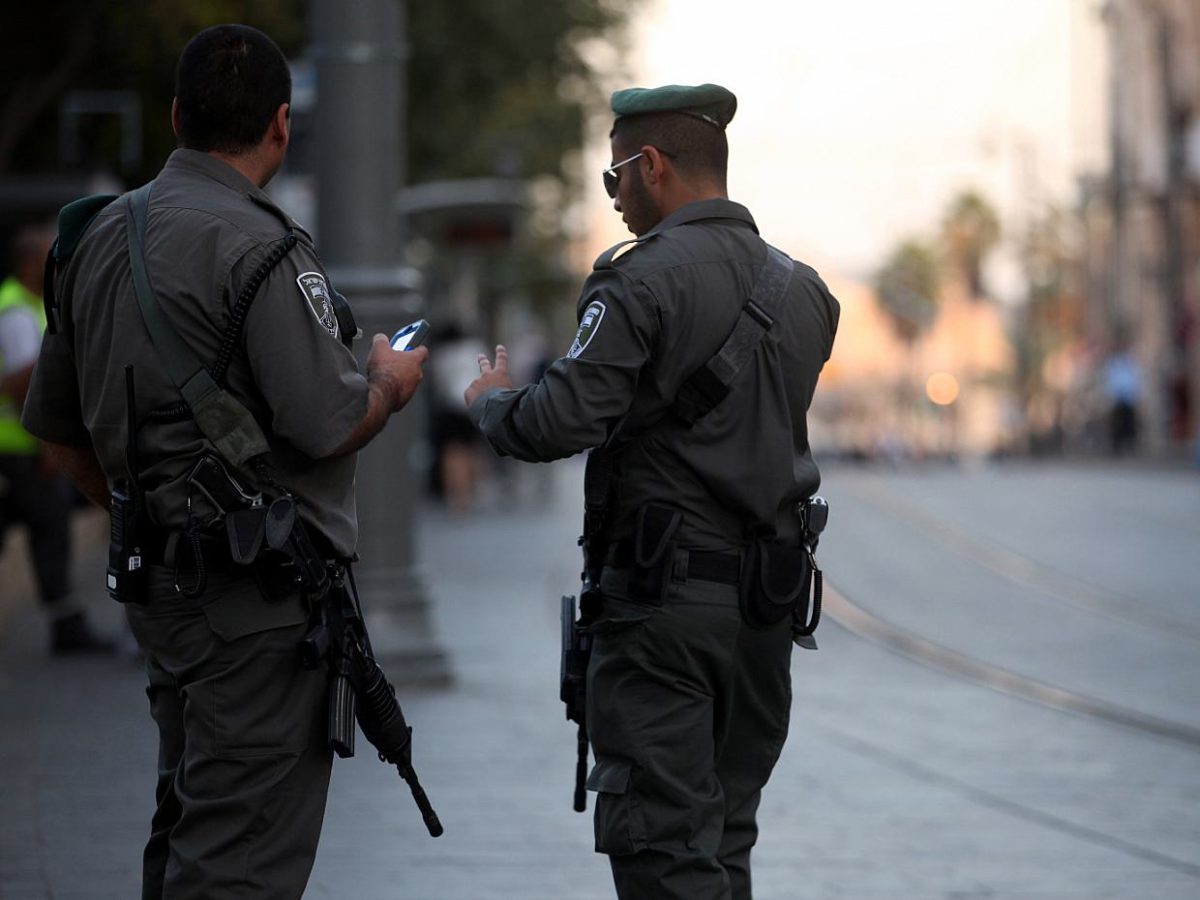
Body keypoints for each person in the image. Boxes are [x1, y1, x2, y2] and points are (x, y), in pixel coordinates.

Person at [21, 24, 427, 898]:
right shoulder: (264, 247)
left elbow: (57, 434)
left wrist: (147, 515)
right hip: (259, 606)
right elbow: (330, 423)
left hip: (162, 596)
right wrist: (389, 383)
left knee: (191, 822)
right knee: (240, 858)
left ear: (176, 116)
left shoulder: (93, 240)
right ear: (281, 124)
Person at [465, 84, 840, 899]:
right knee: (724, 836)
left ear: (652, 166)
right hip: (764, 616)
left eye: (614, 179)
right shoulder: (806, 292)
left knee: (662, 847)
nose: (615, 199)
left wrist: (490, 400)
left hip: (664, 614)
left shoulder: (641, 283)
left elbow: (557, 422)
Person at [0, 223, 111, 654]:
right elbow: (24, 386)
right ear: (31, 265)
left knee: (44, 517)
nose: (61, 264)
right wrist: (52, 447)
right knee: (51, 525)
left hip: (24, 445)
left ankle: (67, 622)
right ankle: (67, 624)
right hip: (20, 446)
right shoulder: (16, 311)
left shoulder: (32, 304)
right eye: (52, 256)